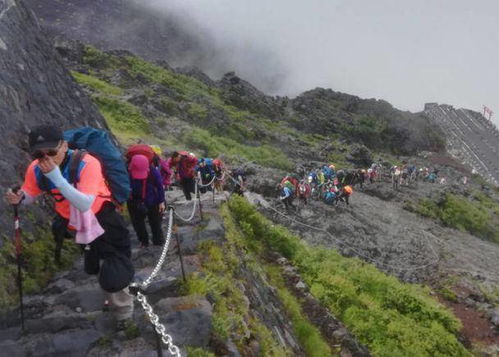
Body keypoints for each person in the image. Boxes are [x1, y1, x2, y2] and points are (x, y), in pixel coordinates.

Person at [5, 125, 134, 328]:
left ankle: (124, 314)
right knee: (96, 264)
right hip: (77, 225)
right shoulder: (36, 168)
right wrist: (19, 198)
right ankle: (111, 298)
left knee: (114, 263)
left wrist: (56, 177)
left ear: (64, 146)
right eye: (39, 154)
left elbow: (84, 204)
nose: (46, 158)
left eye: (52, 152)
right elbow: (30, 192)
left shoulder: (87, 163)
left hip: (103, 218)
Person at [127, 154, 165, 248]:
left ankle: (158, 242)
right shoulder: (127, 171)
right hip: (134, 201)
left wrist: (161, 201)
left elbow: (160, 186)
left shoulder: (153, 171)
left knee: (155, 222)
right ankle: (144, 242)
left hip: (152, 200)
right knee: (138, 224)